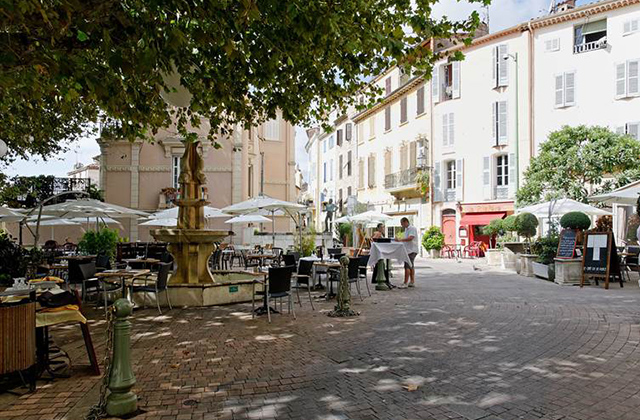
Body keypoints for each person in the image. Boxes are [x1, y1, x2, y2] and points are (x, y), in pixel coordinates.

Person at [395, 217, 418, 288]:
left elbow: (410, 238)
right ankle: (412, 281)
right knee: (410, 266)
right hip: (408, 250)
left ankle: (405, 283)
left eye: (402, 223)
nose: (401, 225)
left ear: (406, 222)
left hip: (411, 250)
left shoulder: (412, 228)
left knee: (407, 266)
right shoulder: (406, 229)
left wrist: (400, 240)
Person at [371, 223, 393, 288]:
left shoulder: (380, 234)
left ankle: (386, 280)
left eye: (383, 227)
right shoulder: (378, 233)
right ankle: (384, 280)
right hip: (380, 253)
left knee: (385, 263)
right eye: (381, 227)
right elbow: (374, 240)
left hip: (381, 252)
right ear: (378, 228)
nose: (382, 228)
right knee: (384, 264)